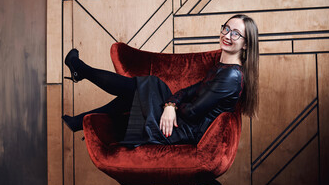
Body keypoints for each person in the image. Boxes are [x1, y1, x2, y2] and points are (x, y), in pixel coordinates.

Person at [62, 14, 259, 147]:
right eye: (226, 28)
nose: (227, 35)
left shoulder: (231, 76)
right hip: (179, 120)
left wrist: (169, 107)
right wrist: (171, 103)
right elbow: (190, 90)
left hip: (181, 130)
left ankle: (80, 73)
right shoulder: (221, 68)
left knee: (147, 87)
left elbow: (191, 112)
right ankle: (80, 106)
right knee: (145, 88)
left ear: (246, 44)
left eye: (236, 33)